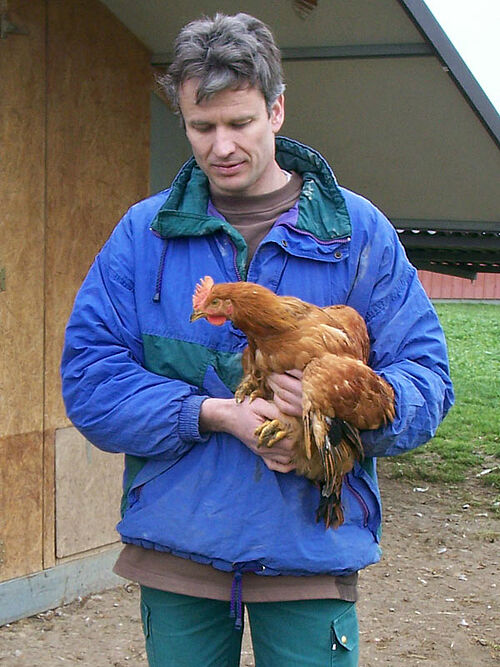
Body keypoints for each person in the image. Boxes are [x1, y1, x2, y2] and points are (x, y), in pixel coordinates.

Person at [61, 12, 454, 666]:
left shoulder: (357, 233)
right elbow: (91, 382)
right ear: (182, 119)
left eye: (239, 123)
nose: (220, 146)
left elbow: (428, 382)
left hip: (310, 547)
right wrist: (213, 414)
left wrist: (333, 417)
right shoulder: (143, 235)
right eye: (201, 126)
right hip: (179, 547)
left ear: (276, 110)